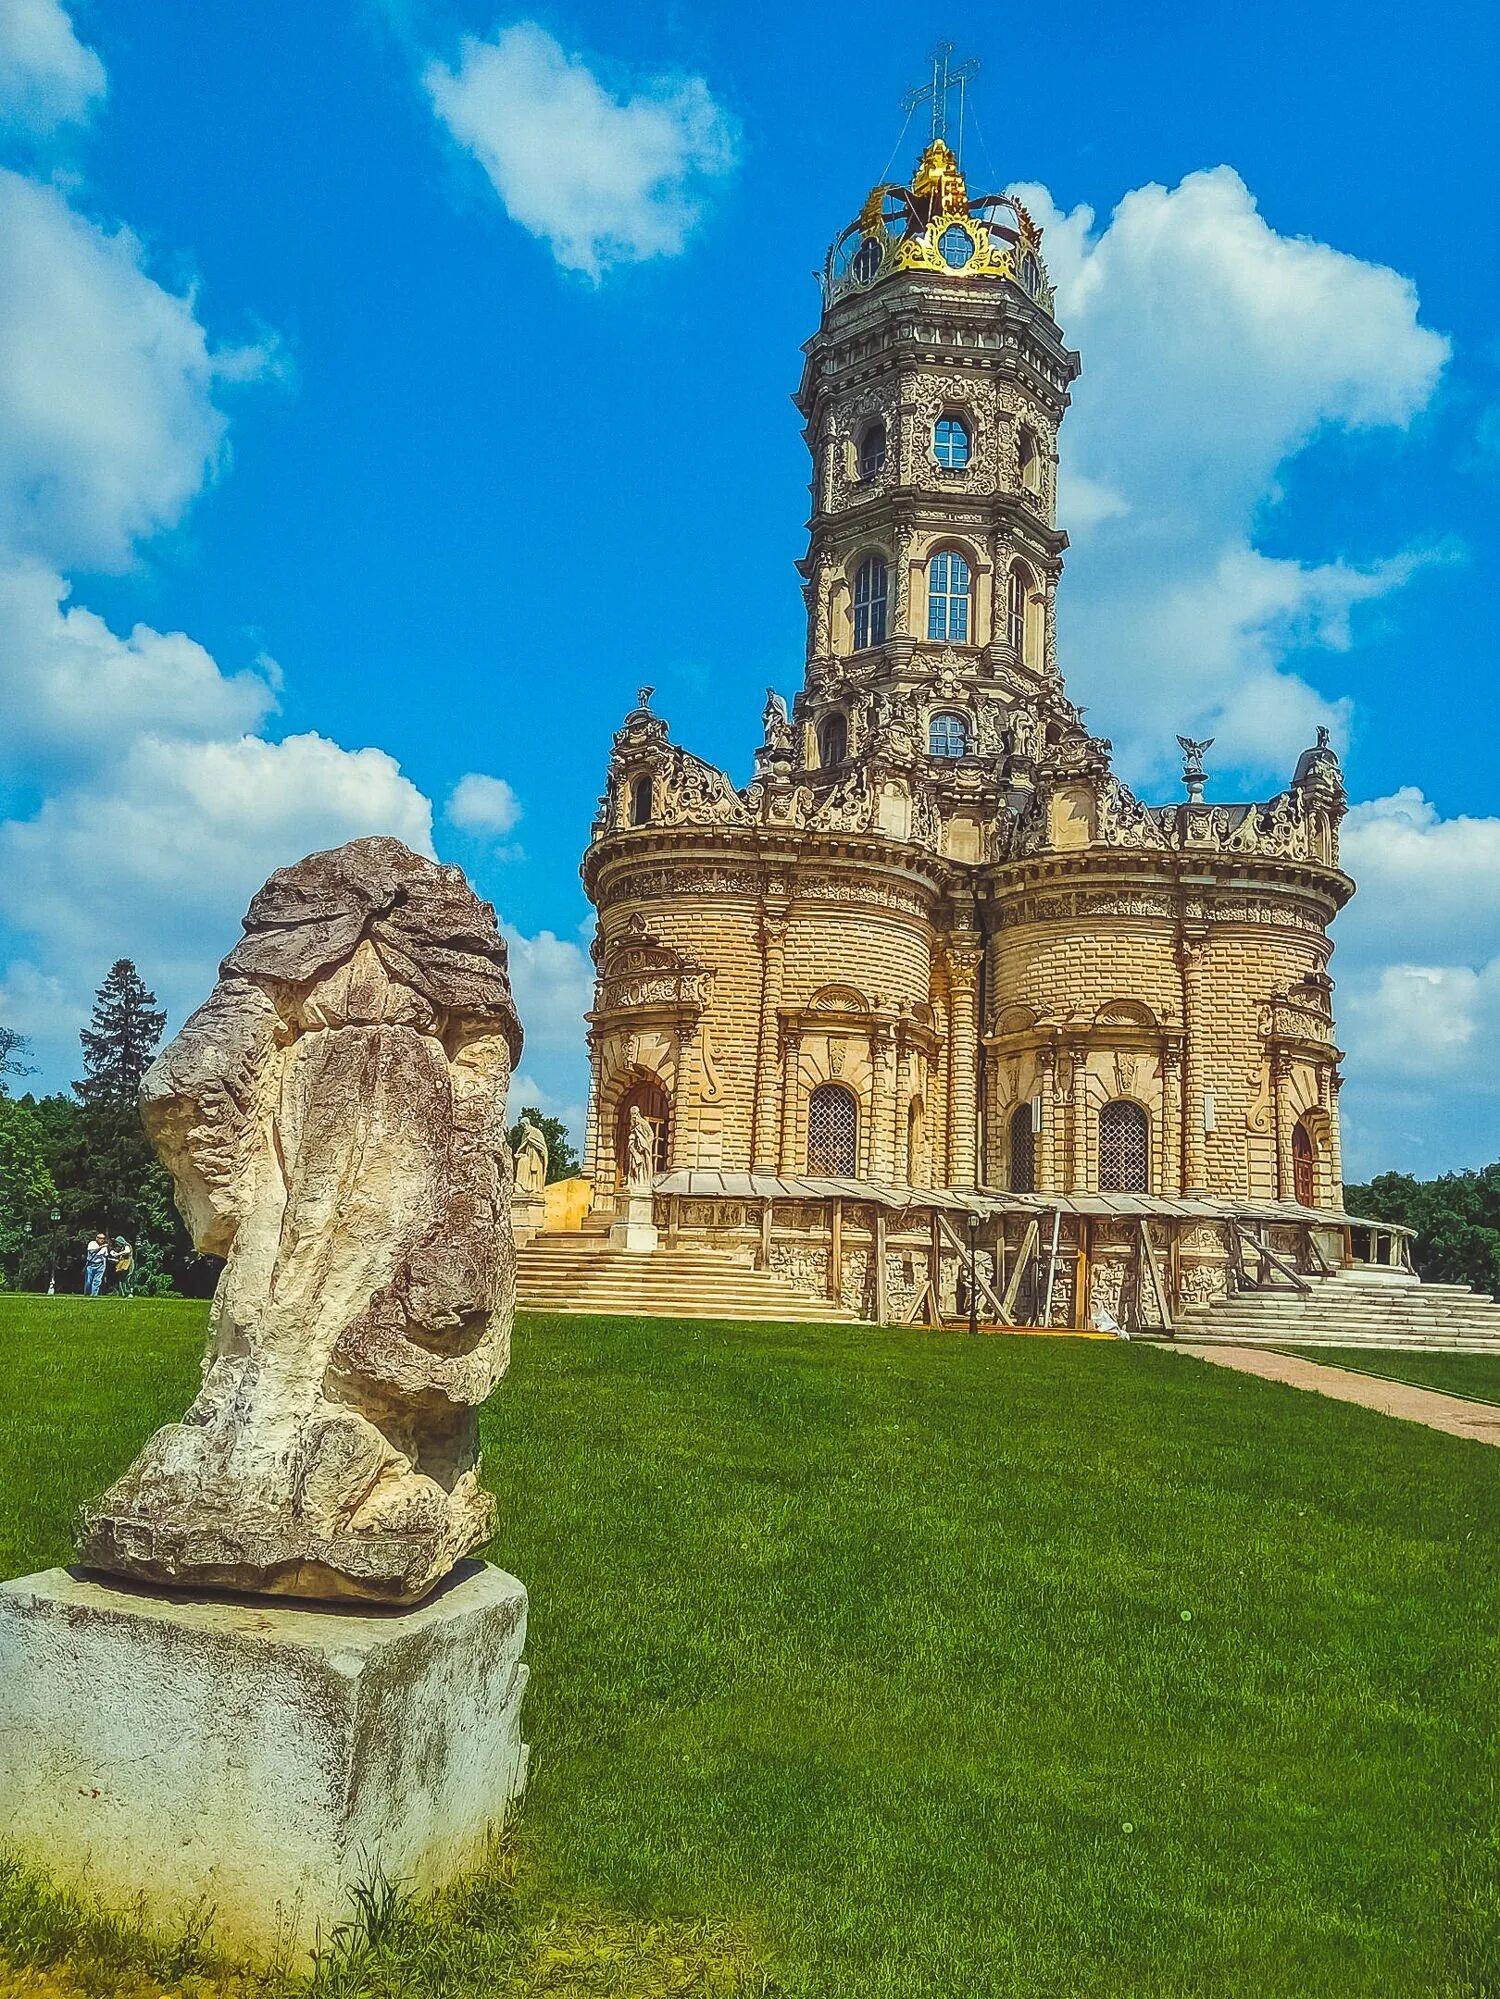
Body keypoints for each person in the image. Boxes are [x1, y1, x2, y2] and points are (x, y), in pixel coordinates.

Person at [83, 1231, 109, 1298]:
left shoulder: (105, 1247)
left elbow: (105, 1256)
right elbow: (91, 1251)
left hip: (100, 1265)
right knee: (88, 1281)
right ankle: (87, 1294)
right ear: (97, 1238)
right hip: (91, 1265)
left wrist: (105, 1266)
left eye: (103, 1238)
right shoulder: (92, 1243)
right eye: (100, 1238)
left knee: (97, 1281)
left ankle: (94, 1295)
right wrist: (101, 1247)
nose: (102, 1240)